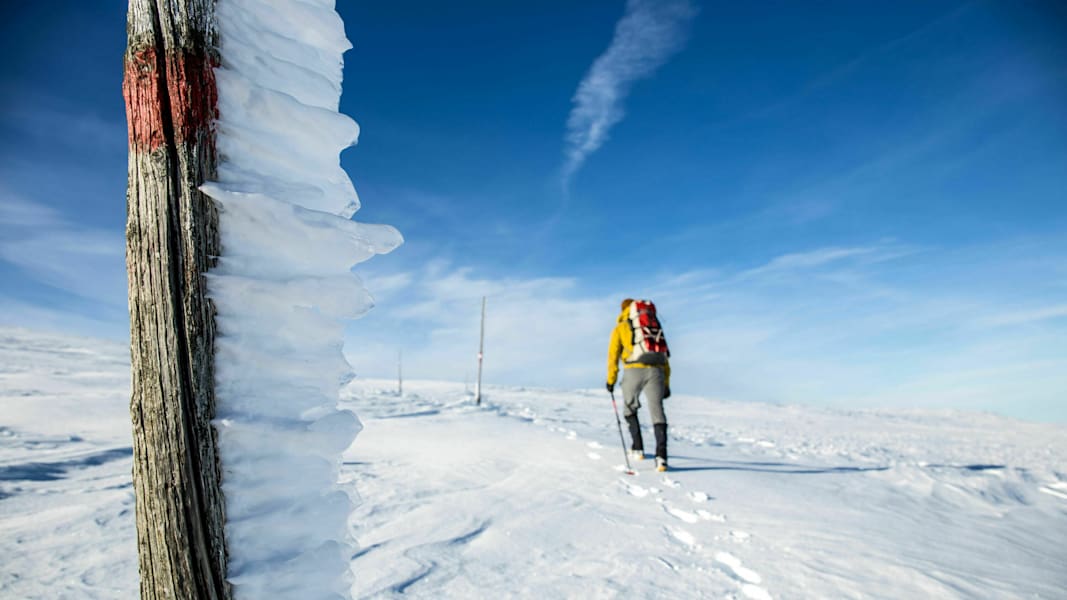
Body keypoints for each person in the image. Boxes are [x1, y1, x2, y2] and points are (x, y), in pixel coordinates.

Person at [606, 298, 671, 471]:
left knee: (630, 408)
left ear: (623, 310)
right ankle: (661, 457)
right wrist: (666, 383)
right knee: (657, 411)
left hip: (633, 370)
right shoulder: (652, 326)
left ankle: (637, 448)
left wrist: (611, 380)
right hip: (656, 370)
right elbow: (665, 356)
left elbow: (613, 355)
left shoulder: (620, 328)